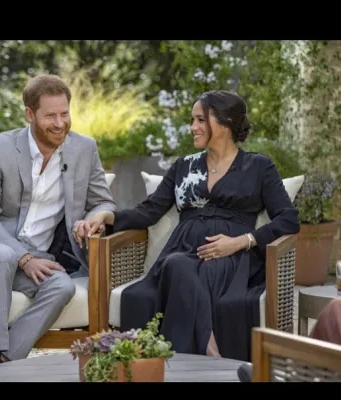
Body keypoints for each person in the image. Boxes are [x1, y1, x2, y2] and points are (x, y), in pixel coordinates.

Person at [74, 90, 300, 362]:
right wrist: (106, 216)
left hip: (230, 257)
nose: (193, 127)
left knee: (177, 266)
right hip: (182, 251)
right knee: (175, 265)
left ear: (226, 124)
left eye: (201, 120)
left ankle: (181, 363)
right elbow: (148, 211)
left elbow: (288, 219)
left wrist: (241, 242)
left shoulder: (258, 166)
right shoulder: (183, 166)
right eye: (192, 120)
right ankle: (208, 347)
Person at [0, 74, 116, 369]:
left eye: (65, 114)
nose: (60, 123)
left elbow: (104, 202)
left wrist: (92, 218)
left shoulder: (84, 149)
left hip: (36, 256)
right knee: (2, 256)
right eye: (50, 116)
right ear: (30, 114)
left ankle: (3, 362)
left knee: (62, 286)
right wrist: (23, 258)